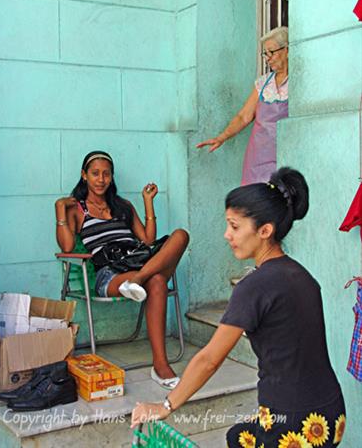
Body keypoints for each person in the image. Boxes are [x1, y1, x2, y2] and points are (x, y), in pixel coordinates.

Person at [131, 167, 346, 447]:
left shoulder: (254, 286)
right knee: (237, 437)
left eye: (234, 226)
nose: (226, 235)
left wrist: (165, 406)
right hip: (331, 413)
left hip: (293, 425)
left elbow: (209, 359)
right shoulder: (302, 276)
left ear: (265, 230)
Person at [55, 150, 189, 389]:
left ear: (111, 177)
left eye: (106, 174)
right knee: (157, 281)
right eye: (95, 173)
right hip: (110, 273)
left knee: (181, 235)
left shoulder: (123, 206)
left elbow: (147, 240)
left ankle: (138, 280)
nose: (101, 179)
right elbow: (66, 246)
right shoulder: (77, 209)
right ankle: (161, 366)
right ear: (84, 175)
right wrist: (59, 208)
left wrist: (147, 202)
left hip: (139, 262)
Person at [197, 26, 289, 186]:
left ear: (287, 50)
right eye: (265, 53)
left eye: (271, 52)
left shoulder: (299, 83)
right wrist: (222, 137)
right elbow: (244, 116)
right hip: (258, 157)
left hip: (286, 155)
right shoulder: (263, 83)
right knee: (255, 202)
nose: (268, 58)